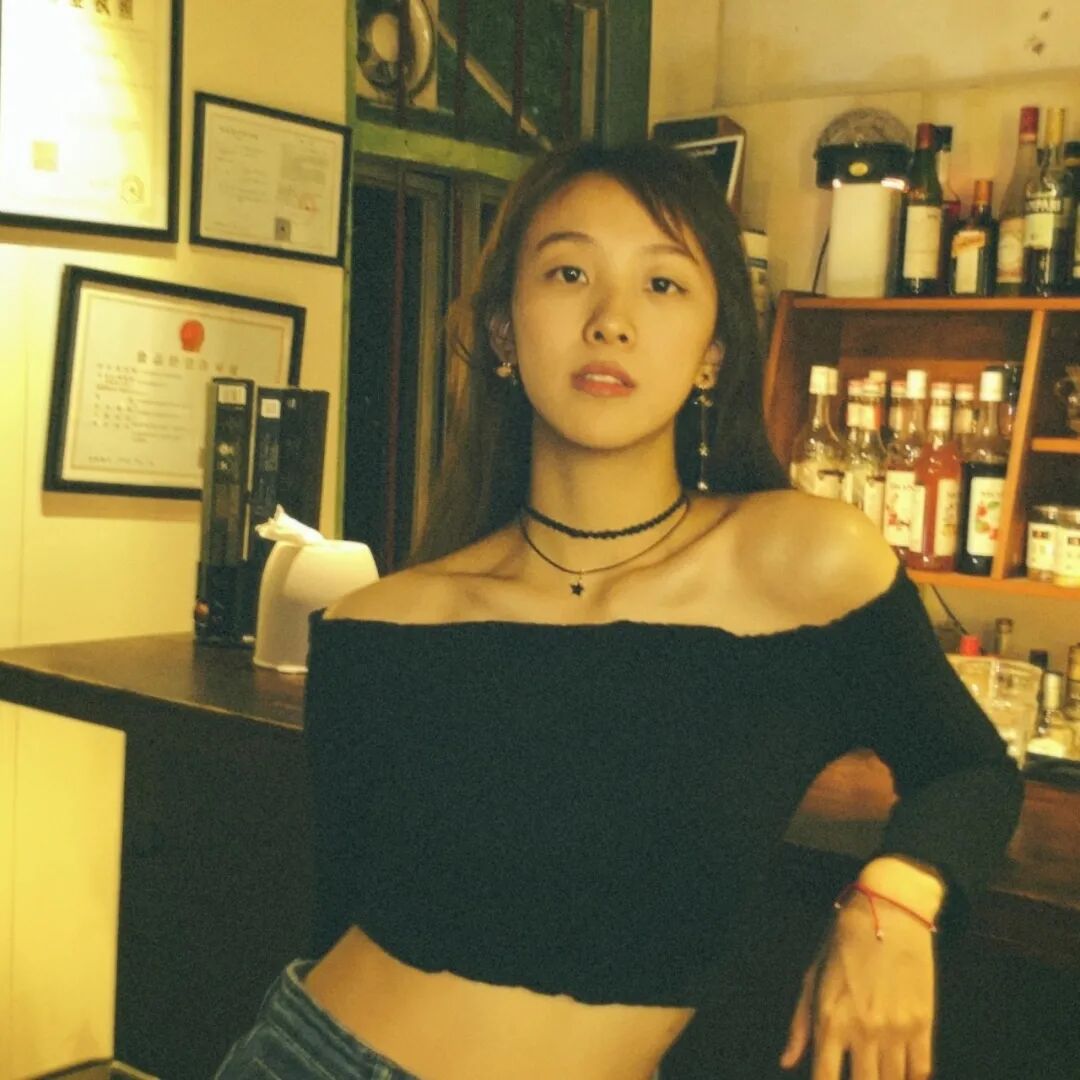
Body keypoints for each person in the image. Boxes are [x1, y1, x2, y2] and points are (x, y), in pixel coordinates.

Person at [214, 140, 1022, 1080]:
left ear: (714, 353)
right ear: (505, 333)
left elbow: (969, 769)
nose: (611, 321)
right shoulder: (381, 625)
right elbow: (336, 919)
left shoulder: (803, 562)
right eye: (568, 273)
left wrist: (895, 904)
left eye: (663, 284)